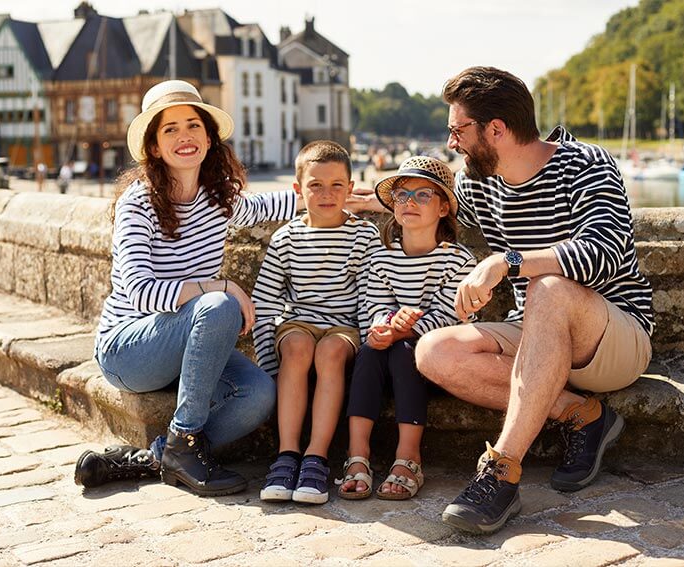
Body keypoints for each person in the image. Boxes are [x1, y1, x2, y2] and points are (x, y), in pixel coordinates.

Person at [414, 67, 654, 533]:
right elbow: (436, 217)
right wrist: (375, 202)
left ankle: (501, 471)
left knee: (548, 288)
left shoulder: (587, 163)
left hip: (611, 336)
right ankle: (583, 416)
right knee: (434, 351)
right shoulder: (476, 183)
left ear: (496, 130)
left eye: (457, 130)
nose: (452, 143)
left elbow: (604, 252)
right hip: (535, 332)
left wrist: (507, 262)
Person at [74, 80, 298, 496]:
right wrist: (221, 285)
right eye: (170, 129)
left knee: (258, 394)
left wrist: (344, 196)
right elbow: (140, 290)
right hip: (129, 349)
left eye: (193, 125)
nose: (184, 136)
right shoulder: (137, 203)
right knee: (218, 304)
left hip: (187, 343)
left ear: (209, 138)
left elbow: (276, 204)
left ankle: (166, 452)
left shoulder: (218, 199)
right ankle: (185, 442)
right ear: (155, 147)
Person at [338, 156, 475, 501]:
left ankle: (409, 456)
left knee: (403, 351)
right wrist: (382, 327)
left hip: (436, 362)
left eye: (422, 195)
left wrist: (404, 331)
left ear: (444, 208)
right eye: (402, 195)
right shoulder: (381, 257)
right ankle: (358, 456)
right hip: (387, 353)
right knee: (371, 350)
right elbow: (373, 305)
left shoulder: (458, 260)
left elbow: (451, 316)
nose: (409, 202)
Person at [253, 141, 381, 505]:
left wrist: (370, 342)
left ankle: (316, 457)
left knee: (329, 351)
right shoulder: (286, 238)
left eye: (337, 185)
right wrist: (267, 364)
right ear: (298, 189)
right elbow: (264, 302)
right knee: (297, 347)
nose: (327, 194)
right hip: (298, 325)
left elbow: (370, 297)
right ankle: (287, 454)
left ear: (351, 188)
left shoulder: (364, 236)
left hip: (343, 329)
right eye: (315, 185)